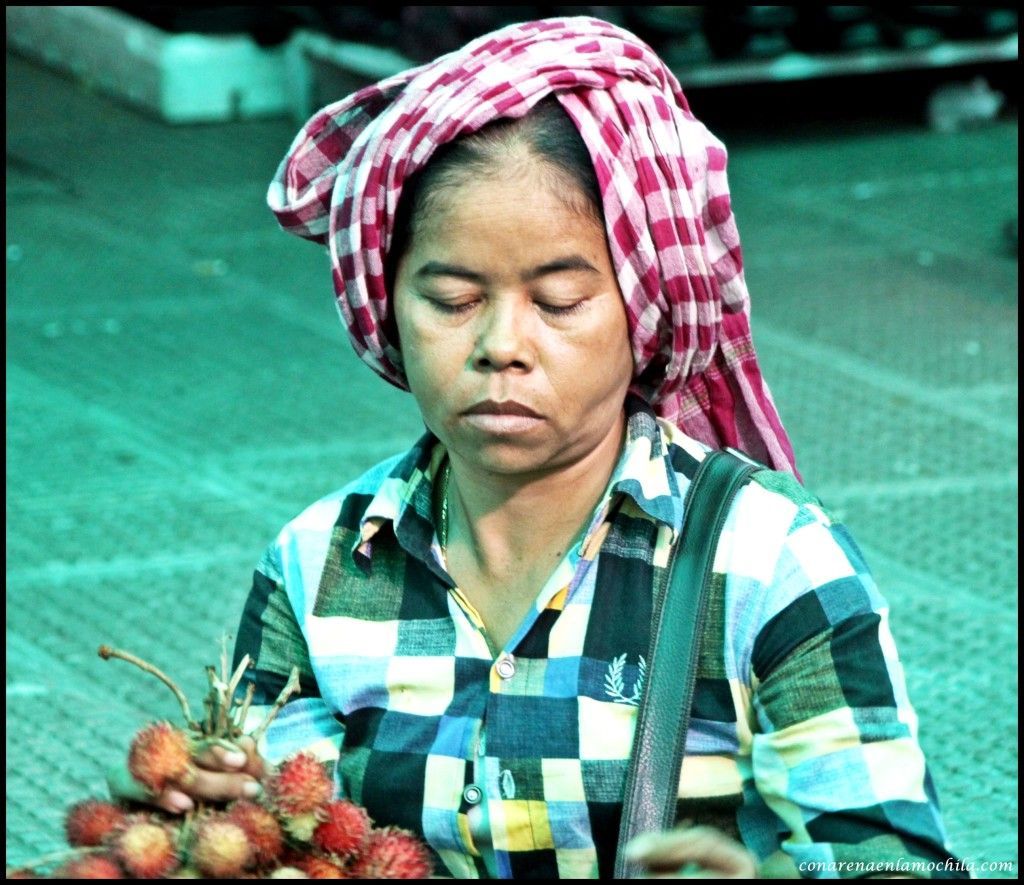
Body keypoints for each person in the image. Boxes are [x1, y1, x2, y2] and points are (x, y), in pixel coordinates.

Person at [110, 16, 966, 879]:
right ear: (389, 306)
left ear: (644, 312)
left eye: (558, 301)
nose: (501, 345)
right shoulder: (318, 570)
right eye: (450, 299)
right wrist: (208, 813)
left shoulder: (770, 567)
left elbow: (894, 861)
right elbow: (283, 835)